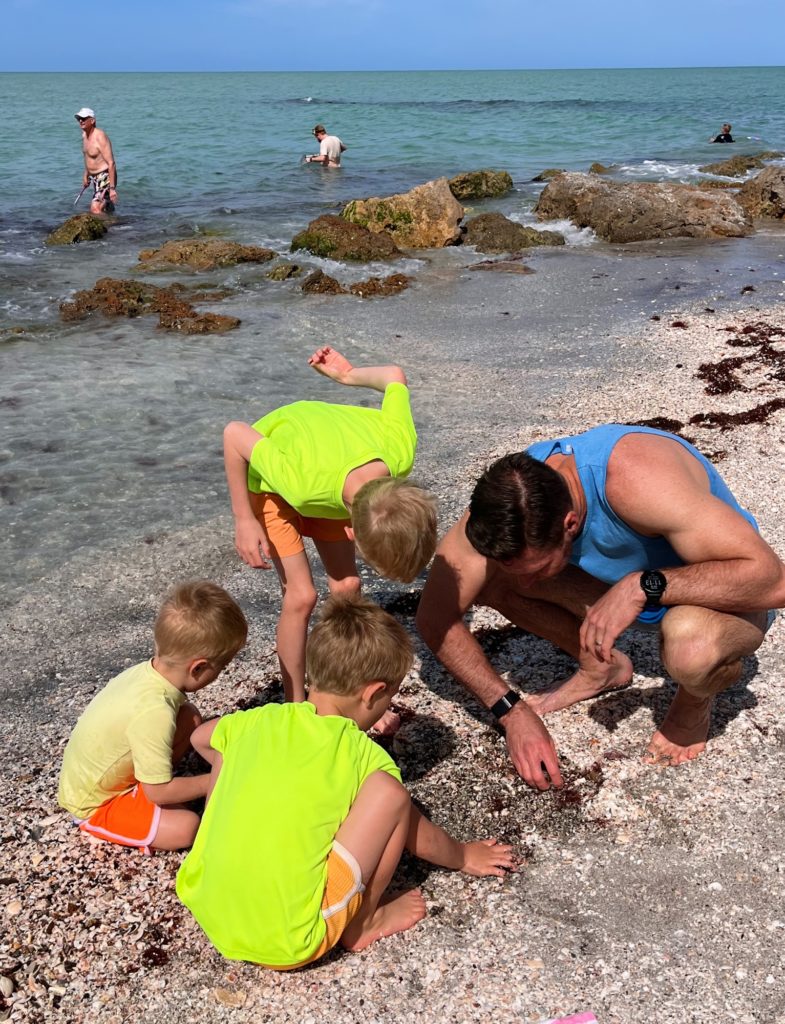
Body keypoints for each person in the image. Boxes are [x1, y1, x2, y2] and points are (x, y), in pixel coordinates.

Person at [416, 425, 785, 791]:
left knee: (691, 649)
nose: (529, 586)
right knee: (494, 579)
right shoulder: (507, 504)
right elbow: (435, 618)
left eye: (539, 570)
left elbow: (774, 582)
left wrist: (643, 586)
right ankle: (601, 667)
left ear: (570, 524)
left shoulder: (640, 482)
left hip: (723, 594)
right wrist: (511, 712)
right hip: (626, 592)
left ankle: (694, 700)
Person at [176, 594, 515, 968]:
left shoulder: (257, 720)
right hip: (290, 939)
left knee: (232, 749)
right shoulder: (360, 753)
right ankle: (366, 922)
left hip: (207, 903)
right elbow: (418, 835)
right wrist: (463, 855)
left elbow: (201, 738)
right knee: (391, 796)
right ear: (373, 693)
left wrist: (244, 774)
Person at [223, 346, 437, 723]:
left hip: (331, 477)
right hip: (277, 481)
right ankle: (295, 703)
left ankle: (347, 690)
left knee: (348, 586)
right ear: (350, 531)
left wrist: (348, 375)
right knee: (302, 596)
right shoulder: (302, 482)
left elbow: (393, 376)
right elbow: (235, 434)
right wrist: (244, 518)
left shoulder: (400, 452)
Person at [58, 581, 248, 852]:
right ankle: (100, 824)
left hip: (97, 774)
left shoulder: (146, 674)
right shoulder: (154, 712)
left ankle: (152, 782)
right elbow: (157, 793)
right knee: (186, 827)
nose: (223, 673)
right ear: (198, 668)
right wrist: (217, 779)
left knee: (189, 718)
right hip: (95, 803)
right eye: (222, 666)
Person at [74, 107, 118, 213]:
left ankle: (105, 228)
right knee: (104, 207)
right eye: (79, 118)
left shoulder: (100, 137)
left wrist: (112, 189)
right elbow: (89, 158)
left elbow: (111, 163)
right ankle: (112, 222)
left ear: (92, 120)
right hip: (94, 178)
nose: (80, 121)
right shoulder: (84, 136)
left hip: (105, 176)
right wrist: (86, 175)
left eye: (84, 118)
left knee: (95, 208)